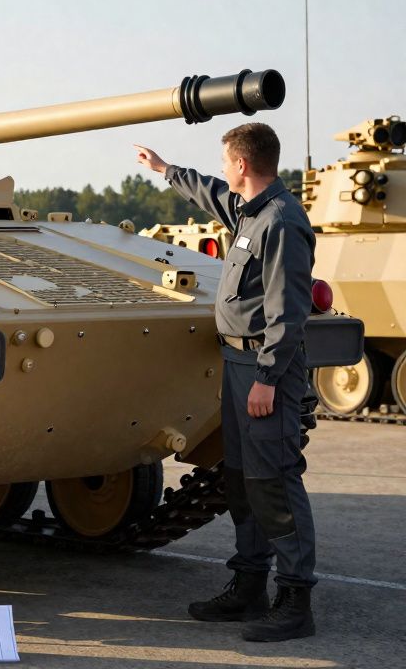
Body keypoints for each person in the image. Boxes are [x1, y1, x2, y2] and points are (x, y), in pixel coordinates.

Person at [135, 123, 317, 642]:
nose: (222, 170)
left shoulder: (281, 222)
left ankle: (296, 600)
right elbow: (212, 194)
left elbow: (289, 311)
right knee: (240, 479)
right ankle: (249, 584)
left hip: (265, 371)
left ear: (241, 164)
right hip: (240, 369)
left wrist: (267, 378)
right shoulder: (250, 212)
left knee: (273, 482)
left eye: (224, 161)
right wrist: (165, 170)